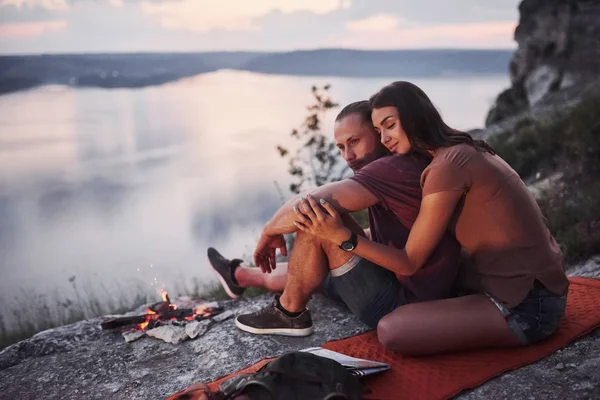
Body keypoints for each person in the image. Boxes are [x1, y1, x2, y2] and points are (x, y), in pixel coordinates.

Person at [291, 81, 569, 355]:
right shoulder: (463, 148)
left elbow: (409, 262)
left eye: (390, 125)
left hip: (529, 308)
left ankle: (286, 304)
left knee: (392, 329)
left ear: (414, 117)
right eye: (378, 130)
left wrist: (342, 238)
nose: (385, 138)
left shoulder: (446, 167)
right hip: (540, 286)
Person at [208, 100, 460, 337]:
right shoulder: (406, 162)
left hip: (401, 305)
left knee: (316, 219)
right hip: (402, 283)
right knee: (316, 254)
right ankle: (239, 276)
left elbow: (310, 203)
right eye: (341, 147)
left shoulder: (390, 169)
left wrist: (268, 231)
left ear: (379, 134)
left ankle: (288, 312)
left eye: (355, 141)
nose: (348, 155)